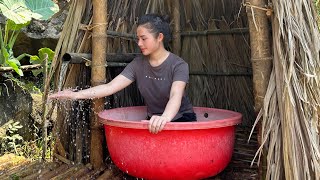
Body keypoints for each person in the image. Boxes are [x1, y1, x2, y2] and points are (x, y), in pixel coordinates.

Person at [49, 13, 196, 134]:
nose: (139, 43)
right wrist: (75, 95)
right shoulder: (138, 64)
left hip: (181, 119)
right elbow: (109, 87)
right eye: (138, 38)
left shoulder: (178, 65)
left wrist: (164, 118)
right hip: (152, 121)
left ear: (160, 37)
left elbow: (176, 95)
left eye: (144, 39)